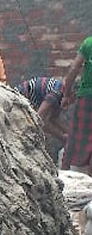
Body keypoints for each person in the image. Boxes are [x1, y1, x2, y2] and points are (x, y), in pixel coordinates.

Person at [62, 37, 92, 172]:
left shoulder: (89, 43)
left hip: (87, 99)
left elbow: (73, 69)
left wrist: (67, 94)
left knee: (78, 142)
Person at [17, 75, 66, 141]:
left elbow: (53, 119)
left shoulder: (60, 97)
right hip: (19, 100)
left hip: (29, 102)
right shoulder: (56, 93)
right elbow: (38, 118)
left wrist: (70, 133)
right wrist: (61, 136)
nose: (67, 107)